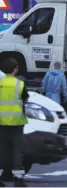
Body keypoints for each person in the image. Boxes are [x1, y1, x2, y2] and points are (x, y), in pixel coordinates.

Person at [0, 59, 28, 187]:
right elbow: (25, 101)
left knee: (2, 149)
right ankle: (18, 179)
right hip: (17, 121)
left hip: (1, 121)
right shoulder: (20, 84)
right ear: (15, 69)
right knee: (17, 149)